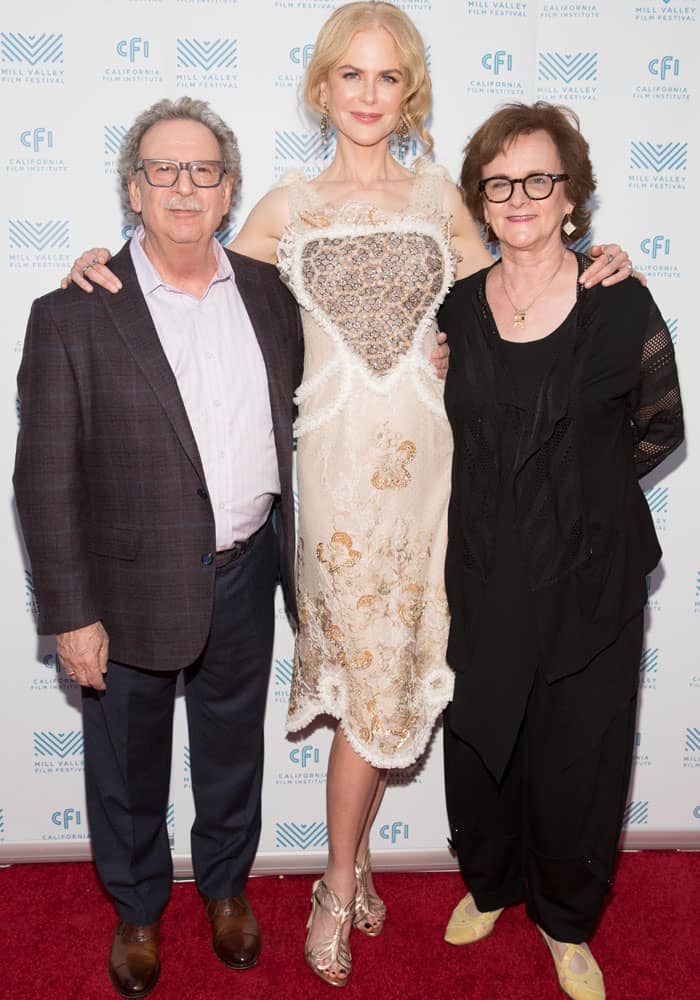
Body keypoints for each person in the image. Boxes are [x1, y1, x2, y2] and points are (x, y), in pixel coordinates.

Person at [64, 3, 635, 988]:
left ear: (407, 91)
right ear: (321, 86)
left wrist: (597, 265)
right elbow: (192, 292)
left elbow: (515, 289)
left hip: (434, 476)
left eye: (387, 77)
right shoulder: (284, 206)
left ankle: (357, 865)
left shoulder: (439, 201)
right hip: (332, 480)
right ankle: (335, 885)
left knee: (396, 684)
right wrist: (102, 263)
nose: (368, 95)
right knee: (368, 688)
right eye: (350, 75)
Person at [13, 97, 304, 999]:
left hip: (247, 570)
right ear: (133, 190)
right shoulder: (72, 313)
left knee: (232, 749)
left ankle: (224, 889)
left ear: (229, 190)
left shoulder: (269, 293)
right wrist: (70, 614)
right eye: (163, 170)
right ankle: (138, 905)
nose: (185, 187)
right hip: (126, 585)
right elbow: (44, 478)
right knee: (128, 764)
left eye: (204, 170)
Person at [439, 101, 683, 1000]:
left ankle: (568, 920)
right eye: (500, 182)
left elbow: (659, 427)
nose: (520, 196)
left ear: (571, 193)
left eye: (538, 178)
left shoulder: (621, 299)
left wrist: (577, 500)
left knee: (580, 752)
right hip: (482, 570)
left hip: (591, 574)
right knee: (482, 741)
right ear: (482, 198)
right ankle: (494, 884)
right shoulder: (458, 309)